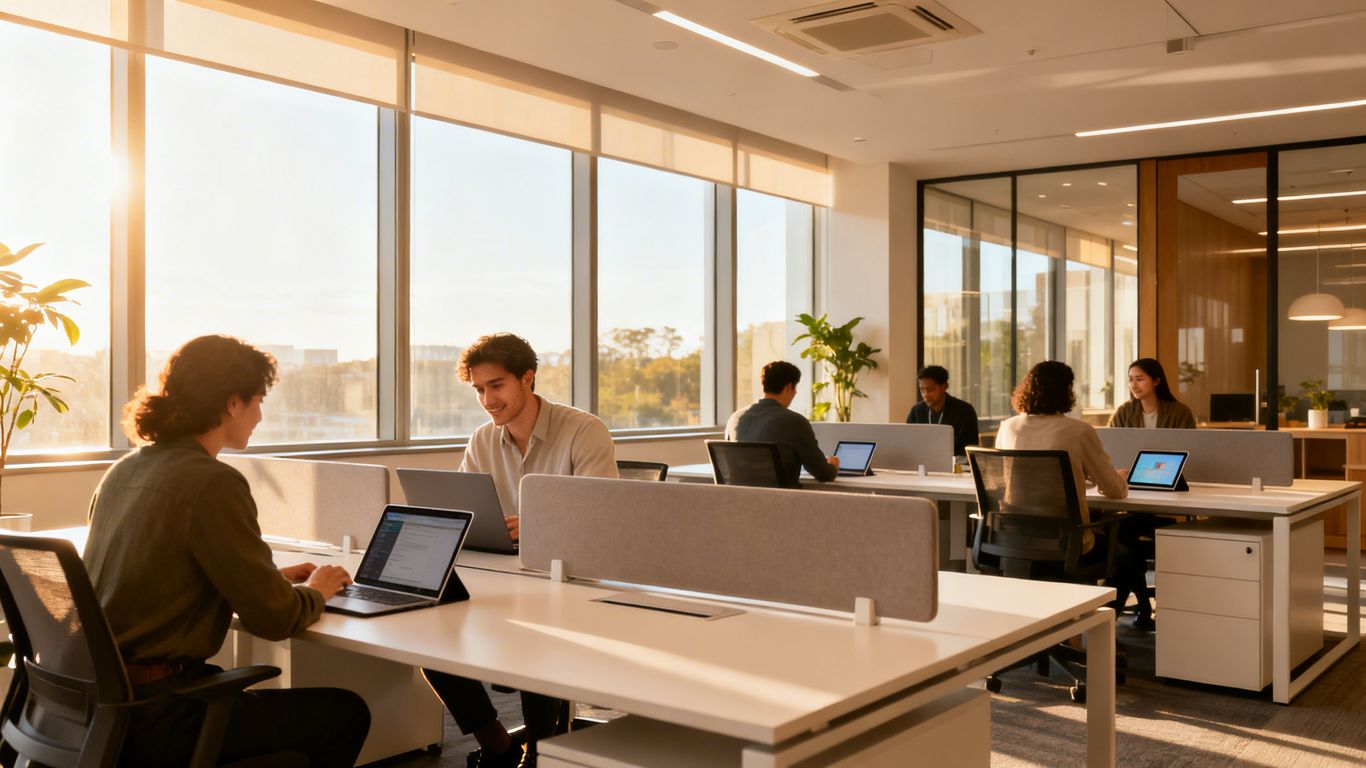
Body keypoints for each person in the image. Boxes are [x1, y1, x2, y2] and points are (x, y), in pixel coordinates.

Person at [83, 335, 370, 768]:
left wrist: (269, 579)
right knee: (346, 714)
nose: (260, 415)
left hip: (95, 705)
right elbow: (275, 620)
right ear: (232, 403)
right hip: (158, 716)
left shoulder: (126, 469)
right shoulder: (212, 482)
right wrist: (318, 587)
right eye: (257, 400)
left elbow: (164, 574)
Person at [423, 332, 618, 767]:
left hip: (569, 579)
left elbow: (603, 518)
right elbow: (465, 509)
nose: (487, 400)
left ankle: (541, 754)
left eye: (497, 386)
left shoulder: (583, 431)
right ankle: (497, 741)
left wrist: (539, 526)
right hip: (503, 575)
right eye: (478, 390)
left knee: (537, 638)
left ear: (527, 378)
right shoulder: (482, 441)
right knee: (426, 632)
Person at [995, 361, 1148, 625]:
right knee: (1130, 553)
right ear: (1067, 390)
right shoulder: (1078, 431)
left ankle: (1075, 626)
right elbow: (1114, 490)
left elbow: (1003, 480)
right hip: (1067, 543)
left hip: (1013, 539)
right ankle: (1096, 627)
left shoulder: (1008, 427)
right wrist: (1121, 477)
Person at [724, 360, 838, 486]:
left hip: (739, 500)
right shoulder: (794, 422)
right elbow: (823, 474)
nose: (795, 393)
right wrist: (833, 464)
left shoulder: (735, 419)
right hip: (781, 502)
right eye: (795, 387)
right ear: (788, 387)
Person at [905, 365, 980, 456]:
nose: (925, 395)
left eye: (930, 389)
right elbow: (909, 445)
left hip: (955, 467)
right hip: (922, 465)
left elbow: (970, 450)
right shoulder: (916, 412)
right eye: (922, 390)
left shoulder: (964, 411)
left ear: (945, 386)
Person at [1107, 358, 1197, 429]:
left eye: (1139, 379)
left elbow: (1189, 446)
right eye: (1131, 379)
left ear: (1156, 381)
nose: (1133, 385)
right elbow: (1113, 445)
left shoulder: (1180, 413)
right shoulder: (1123, 413)